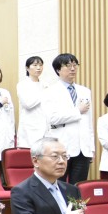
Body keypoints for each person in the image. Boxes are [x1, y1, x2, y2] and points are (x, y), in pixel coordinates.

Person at [44, 53, 94, 184]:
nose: (73, 68)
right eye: (68, 65)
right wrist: (77, 111)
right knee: (58, 185)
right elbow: (53, 118)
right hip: (62, 146)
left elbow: (89, 122)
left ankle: (76, 206)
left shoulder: (85, 91)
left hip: (83, 149)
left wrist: (91, 148)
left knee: (78, 188)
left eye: (75, 65)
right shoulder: (50, 91)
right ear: (58, 70)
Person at [17, 56, 47, 148]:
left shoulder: (45, 84)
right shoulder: (22, 85)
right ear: (27, 68)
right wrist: (43, 93)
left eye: (40, 65)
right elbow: (28, 104)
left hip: (44, 125)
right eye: (35, 65)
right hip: (29, 126)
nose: (38, 68)